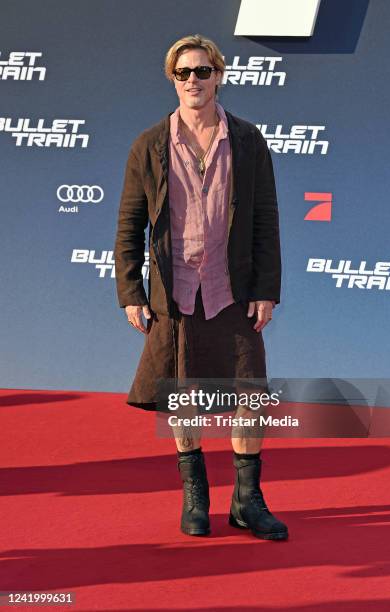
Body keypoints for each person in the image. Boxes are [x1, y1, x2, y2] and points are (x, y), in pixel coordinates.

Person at [113, 34, 288, 541]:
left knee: (249, 395)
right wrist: (130, 291)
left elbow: (266, 220)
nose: (194, 80)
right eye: (184, 72)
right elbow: (129, 224)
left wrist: (266, 288)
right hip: (176, 290)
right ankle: (196, 496)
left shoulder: (249, 140)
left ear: (219, 75)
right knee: (182, 398)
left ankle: (248, 502)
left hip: (231, 288)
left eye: (203, 71)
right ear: (173, 78)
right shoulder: (149, 145)